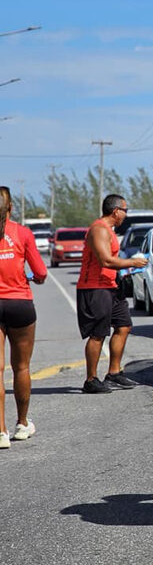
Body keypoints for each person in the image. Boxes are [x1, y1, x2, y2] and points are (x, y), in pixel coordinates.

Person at [77, 195, 149, 394]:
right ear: (116, 211)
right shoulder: (99, 229)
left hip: (110, 285)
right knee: (98, 334)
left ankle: (114, 373)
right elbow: (105, 261)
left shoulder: (109, 230)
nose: (126, 214)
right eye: (125, 210)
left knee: (124, 326)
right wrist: (133, 263)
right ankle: (91, 380)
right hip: (94, 288)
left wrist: (126, 269)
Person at [0, 186, 47, 449]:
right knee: (22, 368)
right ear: (10, 208)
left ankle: (1, 432)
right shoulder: (22, 233)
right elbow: (40, 272)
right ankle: (21, 423)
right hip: (19, 303)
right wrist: (32, 278)